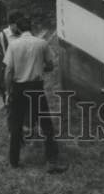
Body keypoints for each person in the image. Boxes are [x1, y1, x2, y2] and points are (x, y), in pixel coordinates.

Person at [4, 13, 67, 173]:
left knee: (16, 125)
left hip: (18, 88)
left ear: (17, 29)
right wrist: (38, 68)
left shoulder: (13, 46)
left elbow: (8, 71)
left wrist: (8, 90)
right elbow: (50, 66)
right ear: (31, 27)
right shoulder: (42, 43)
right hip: (35, 87)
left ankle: (14, 161)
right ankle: (52, 161)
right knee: (46, 125)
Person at [0, 12, 21, 106]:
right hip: (10, 78)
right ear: (11, 24)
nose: (20, 27)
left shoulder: (24, 32)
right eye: (17, 25)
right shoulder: (1, 37)